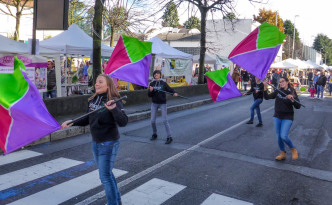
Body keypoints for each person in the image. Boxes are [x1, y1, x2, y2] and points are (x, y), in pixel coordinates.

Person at [61, 74, 128, 205]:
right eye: (96, 82)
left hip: (108, 143)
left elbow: (123, 122)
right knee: (107, 174)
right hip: (96, 142)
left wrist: (114, 109)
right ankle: (117, 201)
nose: (96, 84)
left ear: (108, 85)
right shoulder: (93, 100)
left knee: (105, 176)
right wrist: (72, 122)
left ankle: (113, 203)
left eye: (100, 82)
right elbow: (87, 118)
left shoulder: (114, 100)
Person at [263, 77, 301, 161]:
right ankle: (282, 153)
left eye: (283, 81)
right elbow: (267, 97)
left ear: (287, 82)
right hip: (277, 116)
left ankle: (293, 149)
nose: (281, 83)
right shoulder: (278, 91)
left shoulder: (292, 91)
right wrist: (265, 87)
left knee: (283, 136)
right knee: (278, 137)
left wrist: (293, 100)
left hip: (287, 117)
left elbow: (298, 106)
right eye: (280, 82)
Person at [148, 70, 178, 144]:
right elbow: (149, 95)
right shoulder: (152, 84)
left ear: (160, 75)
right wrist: (151, 91)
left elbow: (169, 89)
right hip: (154, 103)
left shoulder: (163, 83)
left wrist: (174, 93)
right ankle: (154, 134)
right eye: (155, 74)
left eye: (157, 74)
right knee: (152, 120)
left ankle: (169, 137)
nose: (156, 75)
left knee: (165, 120)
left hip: (162, 103)